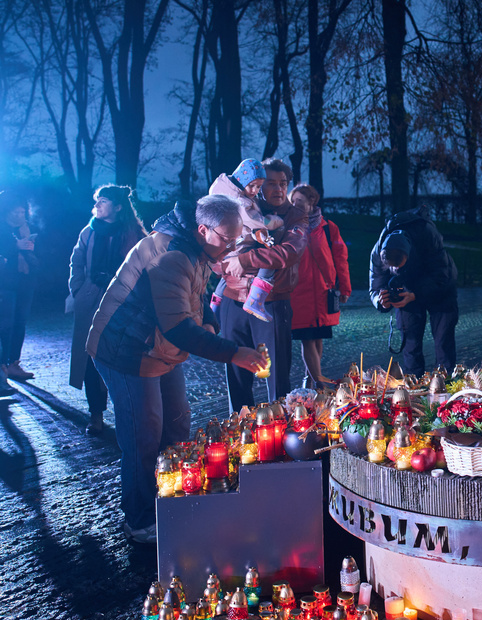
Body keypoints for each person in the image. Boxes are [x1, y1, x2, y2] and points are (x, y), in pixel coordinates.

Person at [86, 195, 267, 543]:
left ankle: (171, 496)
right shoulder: (171, 256)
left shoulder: (199, 250)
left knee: (177, 422)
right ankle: (139, 520)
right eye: (226, 239)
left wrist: (211, 326)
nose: (230, 247)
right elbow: (178, 327)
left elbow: (196, 299)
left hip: (157, 347)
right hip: (126, 349)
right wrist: (234, 353)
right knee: (144, 434)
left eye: (236, 239)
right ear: (202, 229)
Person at [216, 158, 309, 412]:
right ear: (255, 185)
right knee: (236, 371)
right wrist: (226, 265)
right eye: (271, 183)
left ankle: (279, 433)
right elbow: (217, 246)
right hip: (233, 299)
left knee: (276, 375)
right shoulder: (240, 207)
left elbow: (288, 253)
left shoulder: (296, 216)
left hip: (272, 303)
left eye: (284, 183)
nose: (279, 189)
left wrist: (243, 260)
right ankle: (241, 431)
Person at [68, 185, 146, 436]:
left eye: (103, 201)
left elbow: (146, 267)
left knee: (121, 355)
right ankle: (96, 414)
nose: (98, 205)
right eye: (97, 201)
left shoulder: (134, 234)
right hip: (91, 299)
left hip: (124, 301)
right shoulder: (89, 232)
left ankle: (129, 413)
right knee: (91, 356)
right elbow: (76, 261)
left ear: (118, 206)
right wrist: (78, 289)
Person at [369, 206, 458, 376]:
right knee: (410, 344)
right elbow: (375, 286)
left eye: (399, 265)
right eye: (391, 267)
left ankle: (444, 387)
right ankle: (414, 386)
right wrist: (381, 301)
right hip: (405, 294)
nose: (395, 269)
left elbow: (442, 275)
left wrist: (416, 294)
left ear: (408, 255)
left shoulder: (427, 235)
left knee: (443, 341)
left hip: (441, 291)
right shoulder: (378, 251)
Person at [289, 183, 352, 385]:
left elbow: (340, 258)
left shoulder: (328, 228)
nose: (295, 205)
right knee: (307, 338)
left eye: (299, 201)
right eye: (292, 201)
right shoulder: (289, 227)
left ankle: (312, 376)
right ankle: (319, 383)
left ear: (311, 202)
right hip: (299, 292)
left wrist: (345, 287)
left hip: (324, 292)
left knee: (318, 338)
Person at [208, 158, 286, 320]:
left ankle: (215, 304)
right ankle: (256, 299)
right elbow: (254, 221)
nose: (255, 191)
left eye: (258, 187)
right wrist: (275, 221)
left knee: (227, 275)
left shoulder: (221, 189)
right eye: (252, 185)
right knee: (268, 259)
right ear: (242, 180)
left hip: (225, 245)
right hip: (239, 243)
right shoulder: (240, 201)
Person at [0, 192, 39, 388]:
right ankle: (3, 366)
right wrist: (15, 245)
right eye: (16, 211)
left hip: (24, 282)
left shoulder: (25, 228)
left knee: (20, 322)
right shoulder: (3, 229)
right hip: (5, 283)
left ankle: (14, 362)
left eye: (23, 211)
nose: (20, 215)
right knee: (4, 325)